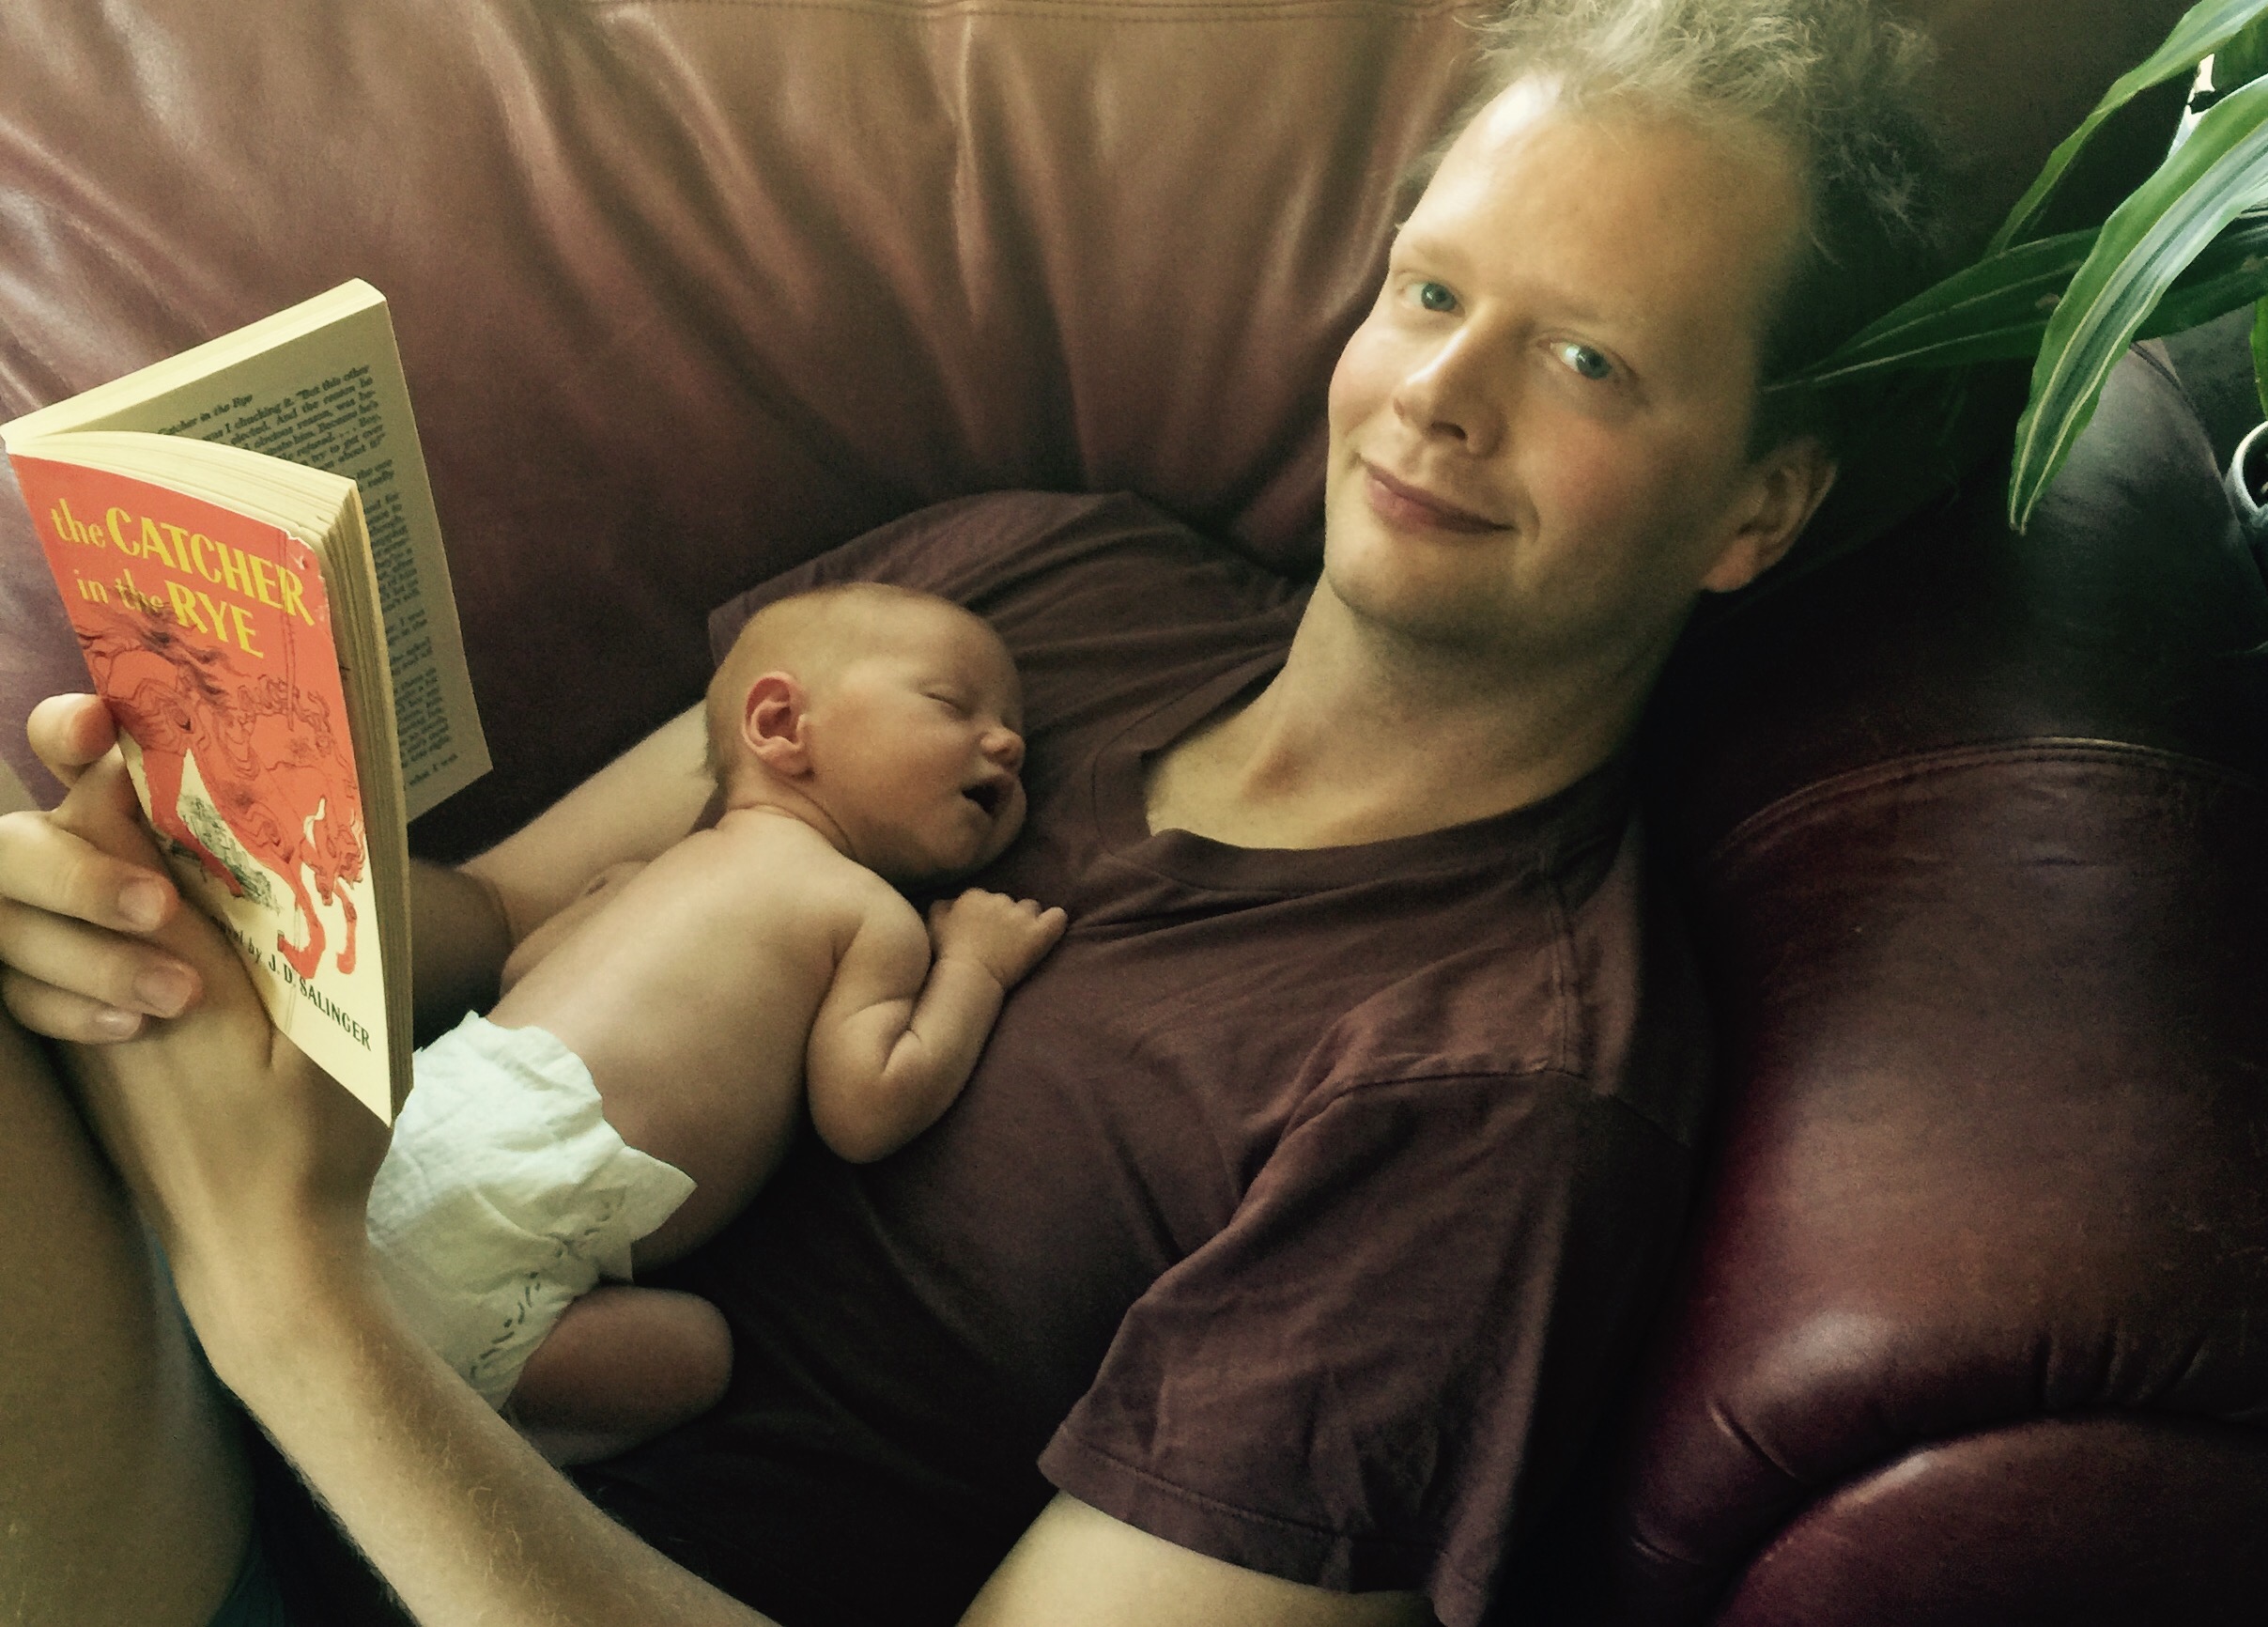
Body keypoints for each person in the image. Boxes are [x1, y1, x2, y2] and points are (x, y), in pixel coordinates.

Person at [0, 1, 1949, 1623]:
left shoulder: (1487, 1094)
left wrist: (290, 1299)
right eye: (1430, 288)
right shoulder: (1034, 587)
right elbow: (496, 916)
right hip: (198, 1330)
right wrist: (174, 879)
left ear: (1756, 502)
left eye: (1586, 358)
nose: (1437, 390)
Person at [369, 582, 1064, 1458]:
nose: (1007, 745)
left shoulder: (666, 866)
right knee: (700, 1356)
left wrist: (601, 903)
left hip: (391, 1148)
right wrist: (973, 969)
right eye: (951, 705)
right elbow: (868, 1106)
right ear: (779, 724)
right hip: (500, 1258)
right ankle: (466, 1435)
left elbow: (520, 972)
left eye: (1014, 737)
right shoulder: (865, 914)